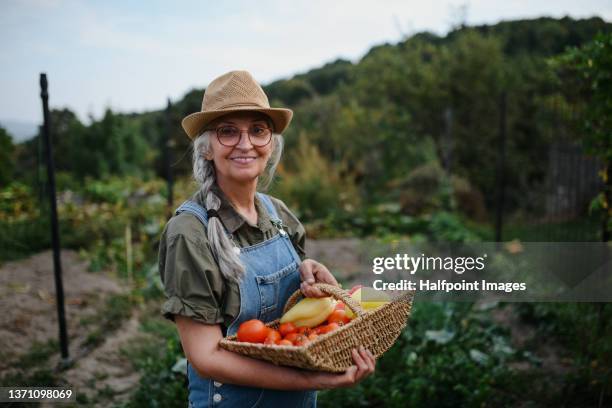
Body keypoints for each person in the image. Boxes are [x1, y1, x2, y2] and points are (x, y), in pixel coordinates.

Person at [158, 70, 376, 408]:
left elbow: (300, 323)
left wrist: (317, 280)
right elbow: (206, 358)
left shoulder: (279, 215)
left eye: (257, 130)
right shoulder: (189, 232)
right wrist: (309, 379)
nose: (245, 144)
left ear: (270, 144)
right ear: (206, 148)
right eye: (228, 132)